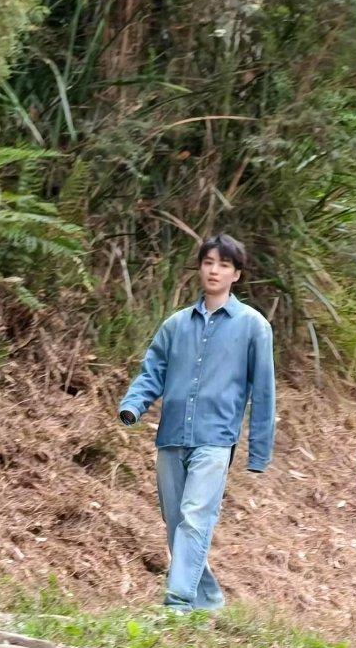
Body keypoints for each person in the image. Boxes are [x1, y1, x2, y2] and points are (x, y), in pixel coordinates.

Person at [118, 233, 276, 613]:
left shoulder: (253, 326)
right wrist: (133, 405)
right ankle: (208, 598)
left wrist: (258, 452)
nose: (214, 270)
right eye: (209, 263)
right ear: (200, 268)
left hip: (215, 438)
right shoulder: (175, 325)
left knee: (194, 517)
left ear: (236, 274)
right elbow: (152, 371)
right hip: (172, 435)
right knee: (176, 523)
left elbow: (264, 392)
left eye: (223, 264)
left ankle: (177, 602)